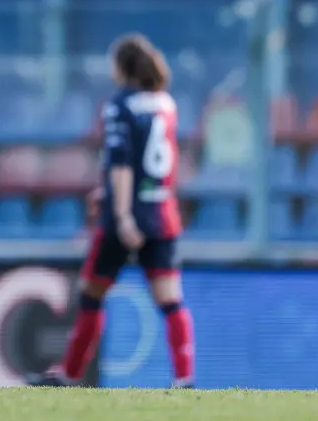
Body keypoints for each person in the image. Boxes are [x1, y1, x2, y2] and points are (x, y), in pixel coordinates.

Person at [29, 34, 195, 389]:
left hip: (126, 217)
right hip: (162, 213)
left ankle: (70, 376)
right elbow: (159, 164)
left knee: (91, 294)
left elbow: (121, 163)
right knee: (170, 300)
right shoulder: (166, 103)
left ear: (122, 67)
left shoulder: (119, 105)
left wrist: (121, 214)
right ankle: (185, 377)